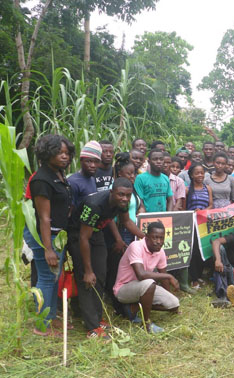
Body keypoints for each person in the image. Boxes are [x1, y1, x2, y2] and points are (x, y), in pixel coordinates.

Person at [68, 178, 145, 339]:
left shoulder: (122, 204)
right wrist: (88, 270)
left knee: (101, 275)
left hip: (96, 233)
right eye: (121, 194)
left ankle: (97, 318)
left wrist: (146, 238)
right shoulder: (94, 204)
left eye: (128, 195)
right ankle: (92, 328)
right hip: (79, 236)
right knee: (87, 279)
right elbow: (83, 238)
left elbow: (126, 222)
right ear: (112, 192)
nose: (124, 198)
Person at [26, 134, 75, 336]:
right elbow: (44, 217)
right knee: (46, 278)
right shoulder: (41, 180)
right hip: (45, 237)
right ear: (47, 154)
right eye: (59, 152)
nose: (64, 157)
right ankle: (42, 324)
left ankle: (51, 317)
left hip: (57, 236)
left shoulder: (59, 174)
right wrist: (48, 248)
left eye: (67, 153)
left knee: (54, 278)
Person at [113, 222, 180, 334]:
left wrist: (169, 295)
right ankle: (146, 323)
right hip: (123, 289)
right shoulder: (136, 246)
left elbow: (163, 278)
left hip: (144, 287)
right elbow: (141, 275)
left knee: (174, 304)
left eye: (161, 238)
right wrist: (169, 276)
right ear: (147, 237)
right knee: (149, 282)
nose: (158, 241)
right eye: (155, 237)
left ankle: (135, 307)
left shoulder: (160, 251)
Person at [104, 153, 145, 316]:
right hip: (119, 234)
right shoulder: (115, 191)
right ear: (120, 174)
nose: (133, 176)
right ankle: (117, 304)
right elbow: (110, 219)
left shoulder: (130, 190)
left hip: (130, 232)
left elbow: (131, 214)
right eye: (129, 173)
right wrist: (119, 239)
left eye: (134, 173)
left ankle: (128, 301)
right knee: (117, 269)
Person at [186, 163, 213, 289]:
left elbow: (211, 205)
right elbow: (183, 207)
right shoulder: (187, 189)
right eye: (197, 173)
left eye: (202, 172)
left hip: (204, 224)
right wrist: (193, 213)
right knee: (195, 251)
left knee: (204, 249)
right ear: (191, 175)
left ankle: (200, 275)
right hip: (191, 223)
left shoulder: (208, 188)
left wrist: (202, 212)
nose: (200, 175)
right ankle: (194, 278)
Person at [134, 149, 174, 213]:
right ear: (149, 161)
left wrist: (169, 215)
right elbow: (139, 201)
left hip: (163, 218)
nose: (158, 161)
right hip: (147, 218)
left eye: (161, 159)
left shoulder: (165, 178)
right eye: (155, 159)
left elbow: (170, 200)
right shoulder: (140, 178)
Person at [68, 141, 101, 210]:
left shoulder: (92, 179)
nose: (93, 165)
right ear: (81, 160)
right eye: (89, 161)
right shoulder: (73, 182)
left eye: (96, 162)